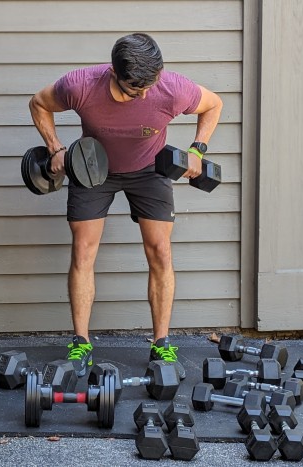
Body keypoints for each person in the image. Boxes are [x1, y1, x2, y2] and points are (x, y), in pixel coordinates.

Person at [28, 33, 223, 379]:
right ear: (115, 74)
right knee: (83, 251)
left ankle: (161, 343)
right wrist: (56, 149)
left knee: (161, 252)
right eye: (137, 89)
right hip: (92, 169)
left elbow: (214, 104)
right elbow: (38, 103)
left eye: (151, 84)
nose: (146, 94)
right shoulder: (82, 85)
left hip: (149, 171)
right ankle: (81, 343)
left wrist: (197, 150)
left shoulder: (171, 88)